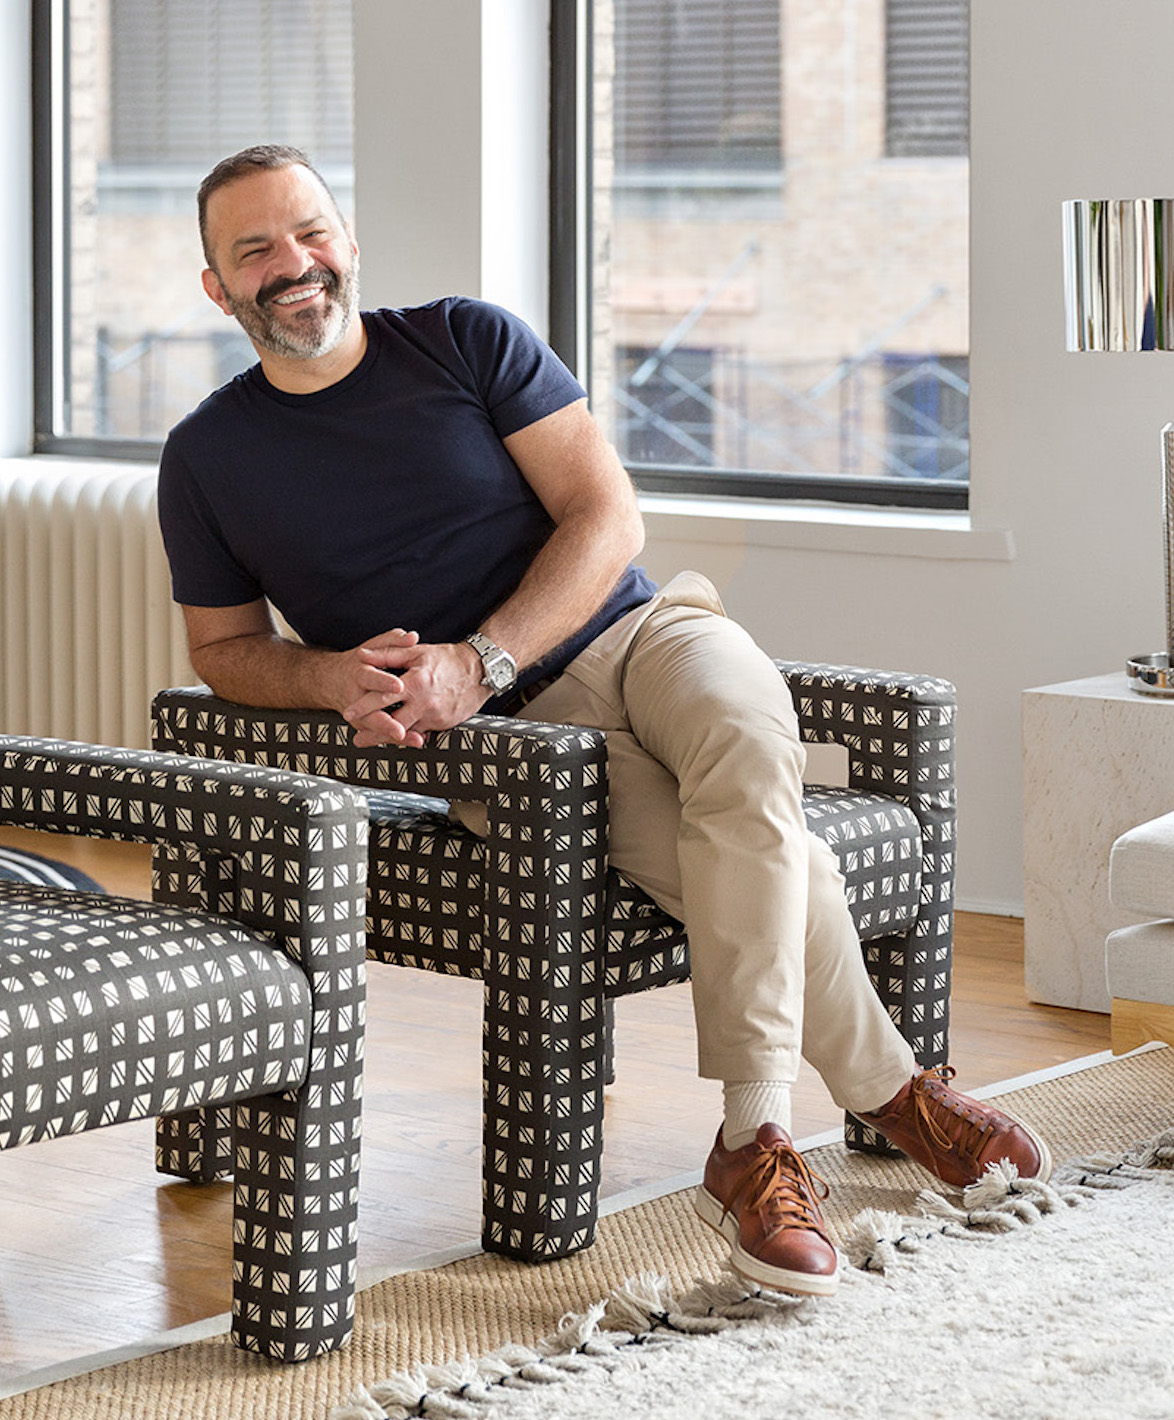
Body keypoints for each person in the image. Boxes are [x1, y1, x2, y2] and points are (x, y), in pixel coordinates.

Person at [158, 144, 1051, 1300]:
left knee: (744, 740)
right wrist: (326, 676)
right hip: (516, 752)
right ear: (216, 287)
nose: (294, 265)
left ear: (350, 240)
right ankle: (886, 1093)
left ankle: (751, 1131)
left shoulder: (463, 339)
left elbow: (605, 516)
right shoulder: (209, 457)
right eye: (255, 251)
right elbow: (223, 651)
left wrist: (482, 655)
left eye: (310, 232)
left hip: (643, 636)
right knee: (790, 860)